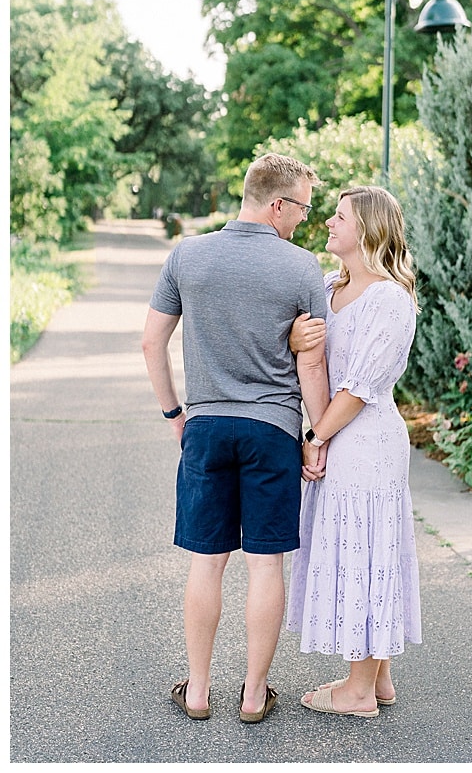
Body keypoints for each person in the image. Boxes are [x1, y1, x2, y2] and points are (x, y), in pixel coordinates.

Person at [142, 152, 332, 723]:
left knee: (207, 561)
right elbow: (315, 362)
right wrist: (314, 437)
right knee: (265, 566)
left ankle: (197, 691)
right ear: (277, 203)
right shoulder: (302, 268)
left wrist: (177, 414)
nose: (303, 218)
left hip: (205, 427)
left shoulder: (188, 256)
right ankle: (253, 694)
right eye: (301, 206)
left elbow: (152, 343)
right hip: (272, 429)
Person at [283, 185, 423, 718]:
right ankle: (379, 678)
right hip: (334, 433)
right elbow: (313, 365)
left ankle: (358, 690)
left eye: (339, 216)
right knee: (358, 550)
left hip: (368, 441)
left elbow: (360, 388)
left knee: (368, 551)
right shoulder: (327, 288)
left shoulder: (390, 299)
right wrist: (315, 434)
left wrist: (318, 437)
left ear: (366, 228)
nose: (328, 223)